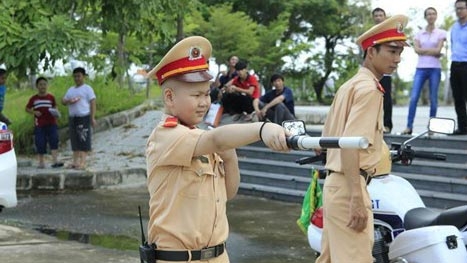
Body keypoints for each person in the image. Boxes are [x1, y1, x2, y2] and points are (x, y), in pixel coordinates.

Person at [144, 36, 290, 263]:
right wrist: (262, 128)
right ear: (169, 97)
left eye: (206, 94)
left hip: (218, 255)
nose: (204, 102)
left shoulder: (202, 138)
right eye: (196, 95)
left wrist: (230, 157)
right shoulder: (166, 135)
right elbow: (218, 139)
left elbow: (228, 193)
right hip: (178, 259)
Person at [316, 15, 409, 263]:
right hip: (350, 187)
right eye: (391, 51)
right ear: (371, 52)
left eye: (400, 52)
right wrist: (356, 198)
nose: (397, 59)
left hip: (337, 185)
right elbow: (349, 144)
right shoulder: (369, 90)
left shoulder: (350, 85)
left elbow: (327, 139)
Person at [402, 7, 446, 135]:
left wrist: (425, 51)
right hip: (420, 68)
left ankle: (431, 128)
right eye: (428, 14)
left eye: (433, 14)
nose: (431, 16)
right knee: (414, 97)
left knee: (433, 98)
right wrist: (432, 52)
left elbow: (438, 50)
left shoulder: (441, 32)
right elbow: (417, 50)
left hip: (435, 69)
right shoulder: (419, 33)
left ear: (436, 16)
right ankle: (409, 127)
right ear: (425, 16)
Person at [62, 67, 96, 170]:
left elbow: (93, 102)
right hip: (73, 117)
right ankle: (75, 161)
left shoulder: (87, 89)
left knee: (83, 139)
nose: (77, 78)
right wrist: (68, 101)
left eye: (79, 76)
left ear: (83, 76)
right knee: (74, 140)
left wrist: (92, 117)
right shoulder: (71, 90)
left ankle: (83, 162)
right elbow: (63, 100)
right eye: (75, 76)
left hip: (84, 116)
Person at [25, 77, 64, 169]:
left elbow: (55, 107)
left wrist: (56, 112)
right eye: (40, 84)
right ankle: (41, 162)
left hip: (51, 123)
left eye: (44, 84)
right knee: (40, 142)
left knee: (54, 140)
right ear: (37, 86)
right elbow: (27, 108)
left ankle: (55, 161)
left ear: (47, 86)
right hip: (40, 124)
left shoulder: (51, 97)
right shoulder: (34, 99)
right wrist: (34, 112)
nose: (43, 86)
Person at [372, 7, 393, 133]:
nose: (378, 17)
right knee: (372, 98)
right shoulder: (370, 33)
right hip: (373, 72)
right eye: (376, 15)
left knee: (386, 99)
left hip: (385, 71)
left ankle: (387, 124)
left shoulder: (389, 33)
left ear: (385, 17)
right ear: (373, 18)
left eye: (381, 15)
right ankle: (374, 125)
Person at [450, 0, 467, 135]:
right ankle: (463, 127)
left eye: (461, 8)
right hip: (455, 65)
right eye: (457, 9)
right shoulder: (454, 27)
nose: (459, 11)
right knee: (458, 98)